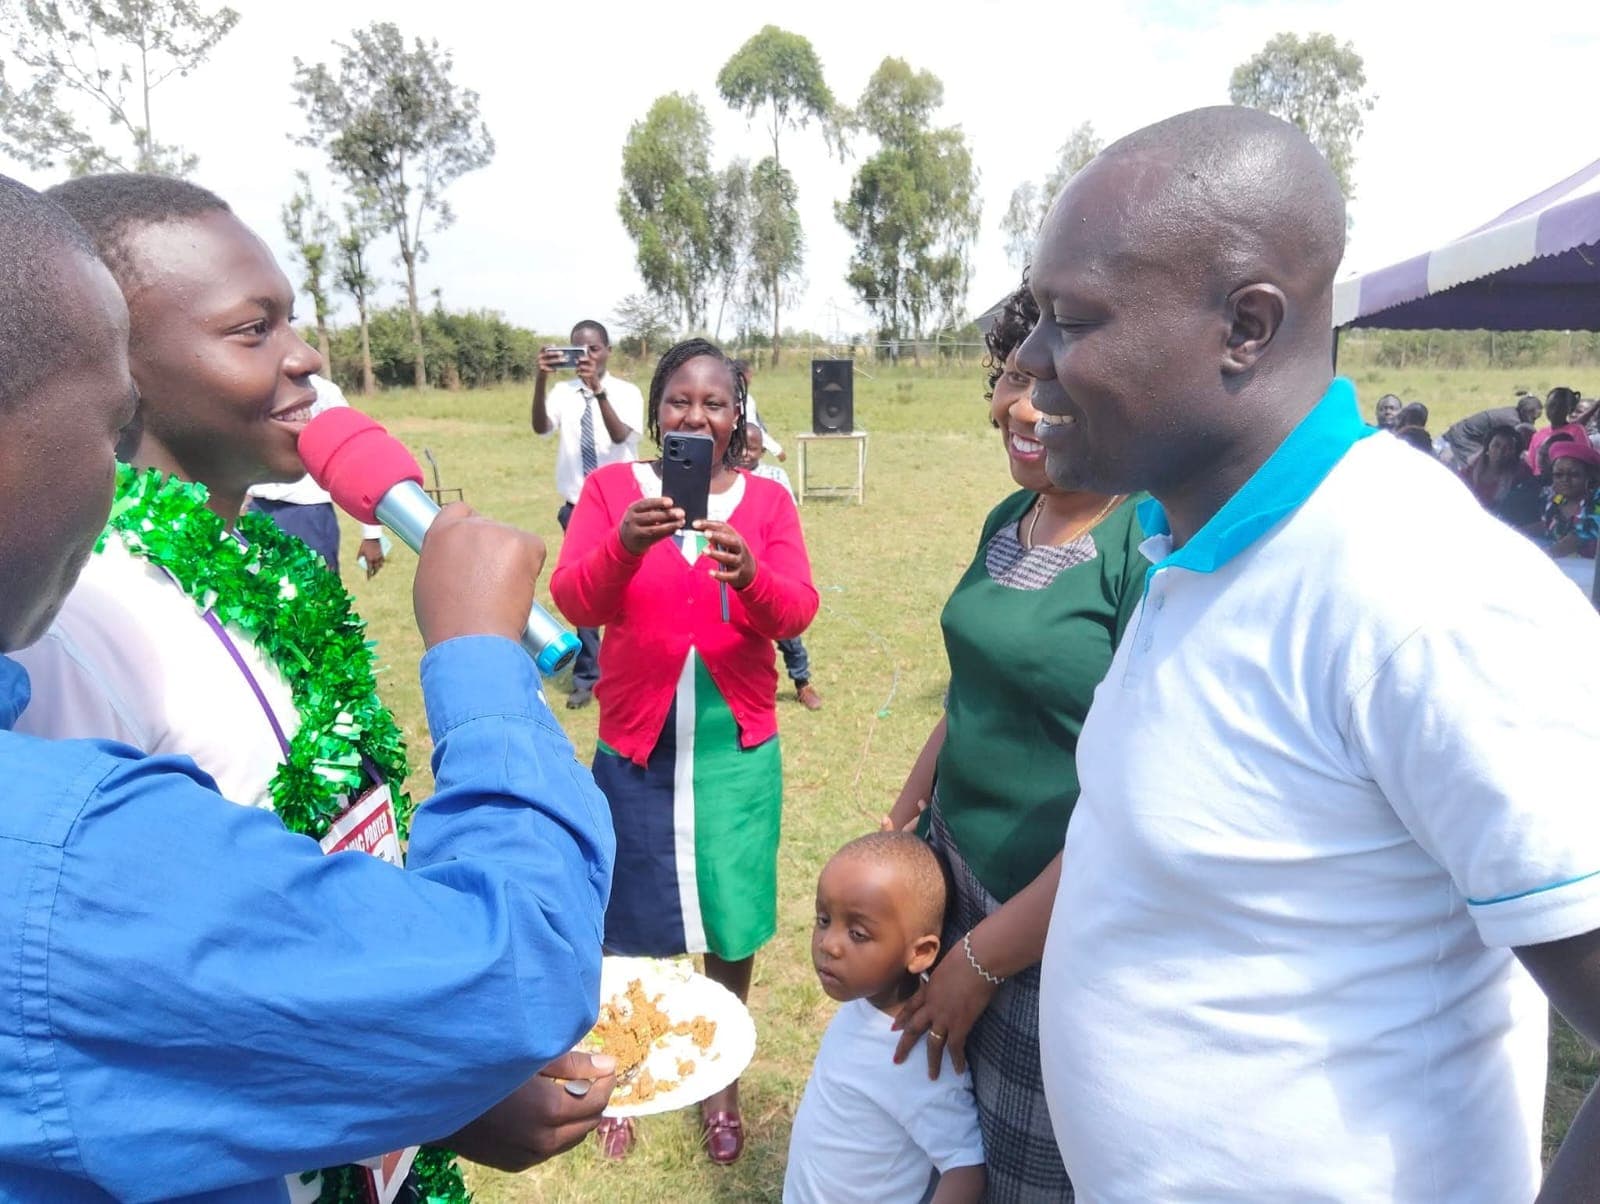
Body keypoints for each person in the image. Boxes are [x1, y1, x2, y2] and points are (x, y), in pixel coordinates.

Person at [1017, 106, 1600, 1203]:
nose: (1030, 359)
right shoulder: (1185, 544)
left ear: (1246, 325)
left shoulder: (1419, 589)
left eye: (1071, 318)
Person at [0, 174, 618, 1198]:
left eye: (292, 317)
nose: (304, 357)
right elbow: (156, 1013)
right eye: (250, 330)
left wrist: (417, 1077)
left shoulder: (273, 572)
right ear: (124, 371)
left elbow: (258, 953)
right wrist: (475, 656)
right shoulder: (73, 627)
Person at [883, 279, 1146, 1202]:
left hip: (1050, 924)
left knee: (1029, 1167)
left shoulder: (1140, 547)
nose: (1021, 407)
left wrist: (987, 955)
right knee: (944, 1125)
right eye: (1010, 376)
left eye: (1052, 386)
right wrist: (901, 829)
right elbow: (969, 694)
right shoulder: (1013, 519)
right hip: (951, 874)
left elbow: (1137, 807)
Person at [550, 337, 818, 1164]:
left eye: (713, 402)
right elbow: (573, 597)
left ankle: (720, 1081)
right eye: (679, 401)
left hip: (734, 749)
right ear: (656, 411)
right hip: (637, 741)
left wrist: (750, 578)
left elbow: (795, 612)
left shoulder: (769, 502)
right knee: (627, 919)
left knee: (731, 916)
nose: (695, 415)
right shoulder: (611, 490)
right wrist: (627, 542)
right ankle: (621, 1072)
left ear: (738, 416)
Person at [784, 833, 985, 1204]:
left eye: (857, 933)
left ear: (921, 952)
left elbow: (965, 1167)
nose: (829, 943)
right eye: (824, 919)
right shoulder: (863, 1004)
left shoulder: (918, 1054)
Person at [531, 319, 645, 709]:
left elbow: (619, 436)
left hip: (623, 505)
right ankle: (587, 676)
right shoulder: (563, 392)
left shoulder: (626, 392)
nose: (587, 357)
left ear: (608, 350)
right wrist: (540, 380)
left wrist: (598, 392)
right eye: (578, 350)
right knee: (585, 590)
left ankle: (630, 668)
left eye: (593, 349)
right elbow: (540, 428)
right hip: (578, 506)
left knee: (631, 589)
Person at [245, 372, 387, 580]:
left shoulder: (322, 393)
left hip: (308, 514)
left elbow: (355, 459)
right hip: (257, 510)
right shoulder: (252, 387)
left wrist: (372, 535)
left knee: (315, 597)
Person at [736, 423, 822, 710]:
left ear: (764, 450)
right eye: (742, 446)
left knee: (786, 633)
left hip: (767, 570)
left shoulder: (775, 477)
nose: (747, 453)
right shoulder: (724, 477)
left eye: (754, 448)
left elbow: (786, 522)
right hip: (732, 568)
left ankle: (802, 682)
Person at [1440, 395, 1543, 466]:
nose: (1533, 422)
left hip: (1467, 435)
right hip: (1464, 438)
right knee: (1474, 466)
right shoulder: (1512, 421)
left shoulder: (1513, 413)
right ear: (1525, 412)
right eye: (1533, 418)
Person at [1459, 423, 1536, 518]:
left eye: (1508, 448)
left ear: (1515, 453)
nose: (1500, 451)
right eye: (1496, 445)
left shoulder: (1522, 474)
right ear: (1487, 448)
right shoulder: (1470, 469)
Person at [1527, 385, 1590, 473]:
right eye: (1551, 405)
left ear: (1570, 410)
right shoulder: (1538, 435)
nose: (1555, 410)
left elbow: (1585, 459)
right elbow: (1532, 466)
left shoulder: (1576, 431)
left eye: (1561, 407)